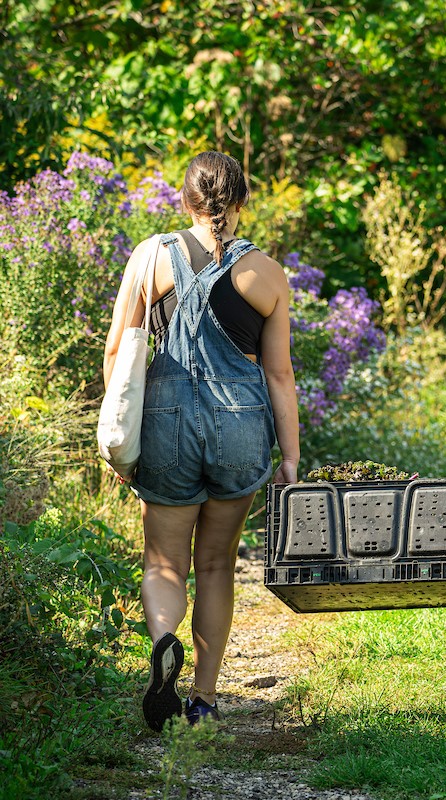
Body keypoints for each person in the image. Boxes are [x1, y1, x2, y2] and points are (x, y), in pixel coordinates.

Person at [103, 151, 300, 731]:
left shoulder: (149, 258)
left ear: (185, 201)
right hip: (239, 424)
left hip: (164, 424)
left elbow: (118, 353)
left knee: (165, 560)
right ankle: (204, 701)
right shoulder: (265, 273)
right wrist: (289, 455)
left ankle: (165, 642)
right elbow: (280, 375)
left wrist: (117, 438)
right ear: (241, 204)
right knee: (215, 565)